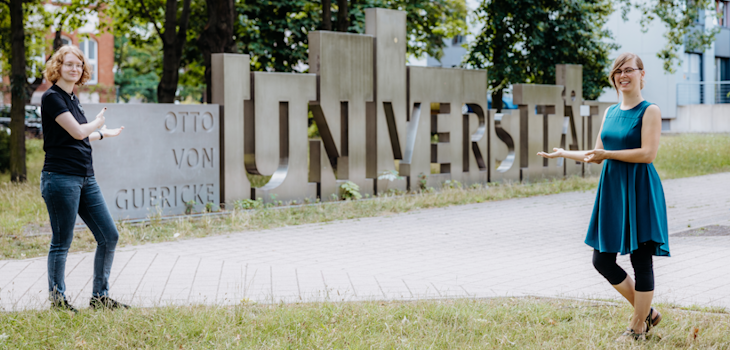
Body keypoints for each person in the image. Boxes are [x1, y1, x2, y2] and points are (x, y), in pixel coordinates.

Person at [538, 52, 669, 342]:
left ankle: (637, 328)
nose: (623, 76)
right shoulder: (610, 113)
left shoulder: (650, 111)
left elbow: (648, 154)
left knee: (640, 259)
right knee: (602, 260)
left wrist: (609, 154)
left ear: (642, 75)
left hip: (640, 190)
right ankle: (649, 312)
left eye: (629, 70)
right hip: (613, 192)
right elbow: (595, 155)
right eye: (618, 72)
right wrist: (564, 153)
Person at [40, 45, 128, 311]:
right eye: (69, 64)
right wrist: (97, 124)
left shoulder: (73, 98)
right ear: (58, 67)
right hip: (61, 179)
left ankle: (99, 297)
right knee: (61, 242)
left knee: (109, 236)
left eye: (78, 65)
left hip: (85, 178)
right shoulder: (52, 97)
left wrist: (103, 133)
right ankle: (58, 301)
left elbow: (77, 134)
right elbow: (78, 132)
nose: (74, 69)